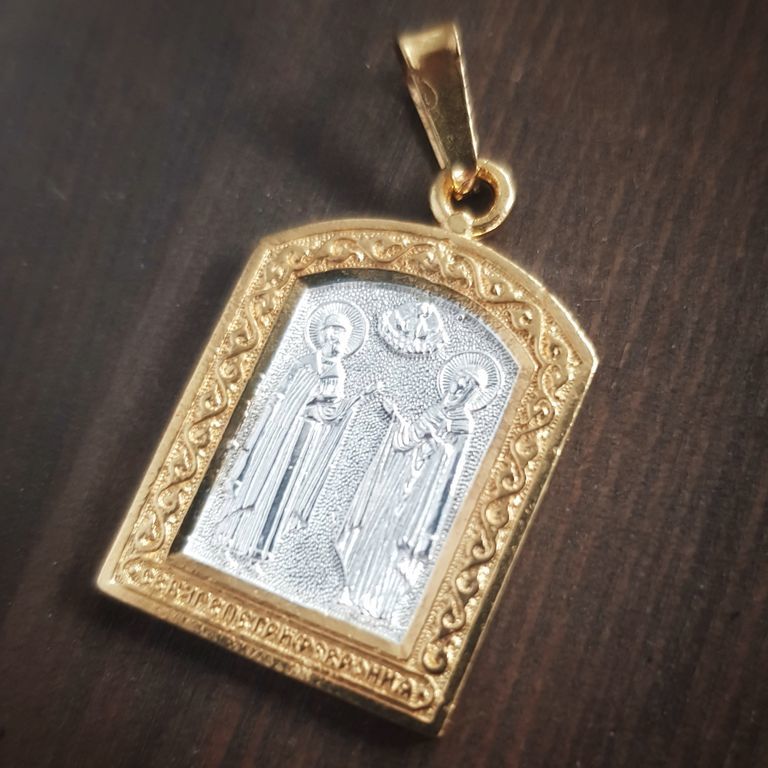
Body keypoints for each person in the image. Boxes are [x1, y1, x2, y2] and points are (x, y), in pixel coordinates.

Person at [337, 351, 501, 622]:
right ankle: (354, 591)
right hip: (399, 483)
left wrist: (436, 441)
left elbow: (450, 467)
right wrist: (396, 418)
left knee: (395, 547)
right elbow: (405, 441)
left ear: (473, 393)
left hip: (421, 498)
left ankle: (377, 605)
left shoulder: (463, 424)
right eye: (459, 381)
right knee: (374, 532)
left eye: (467, 386)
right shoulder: (435, 410)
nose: (459, 387)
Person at [217, 300, 368, 564]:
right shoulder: (304, 362)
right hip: (279, 432)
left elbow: (330, 408)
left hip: (305, 437)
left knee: (284, 491)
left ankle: (260, 552)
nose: (336, 340)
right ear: (323, 335)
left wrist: (342, 404)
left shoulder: (338, 371)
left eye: (341, 336)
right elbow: (281, 394)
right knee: (262, 480)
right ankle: (234, 540)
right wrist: (303, 399)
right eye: (333, 333)